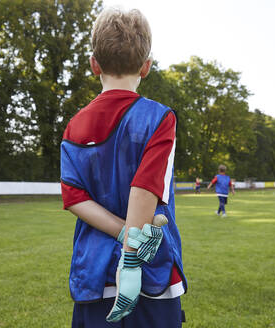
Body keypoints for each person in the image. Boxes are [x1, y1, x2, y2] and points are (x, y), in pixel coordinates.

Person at [60, 7, 186, 327]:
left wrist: (120, 233)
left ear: (94, 64)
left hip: (94, 268)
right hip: (149, 266)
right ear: (146, 67)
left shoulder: (74, 126)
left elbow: (74, 198)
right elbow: (145, 188)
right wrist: (130, 257)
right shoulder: (159, 118)